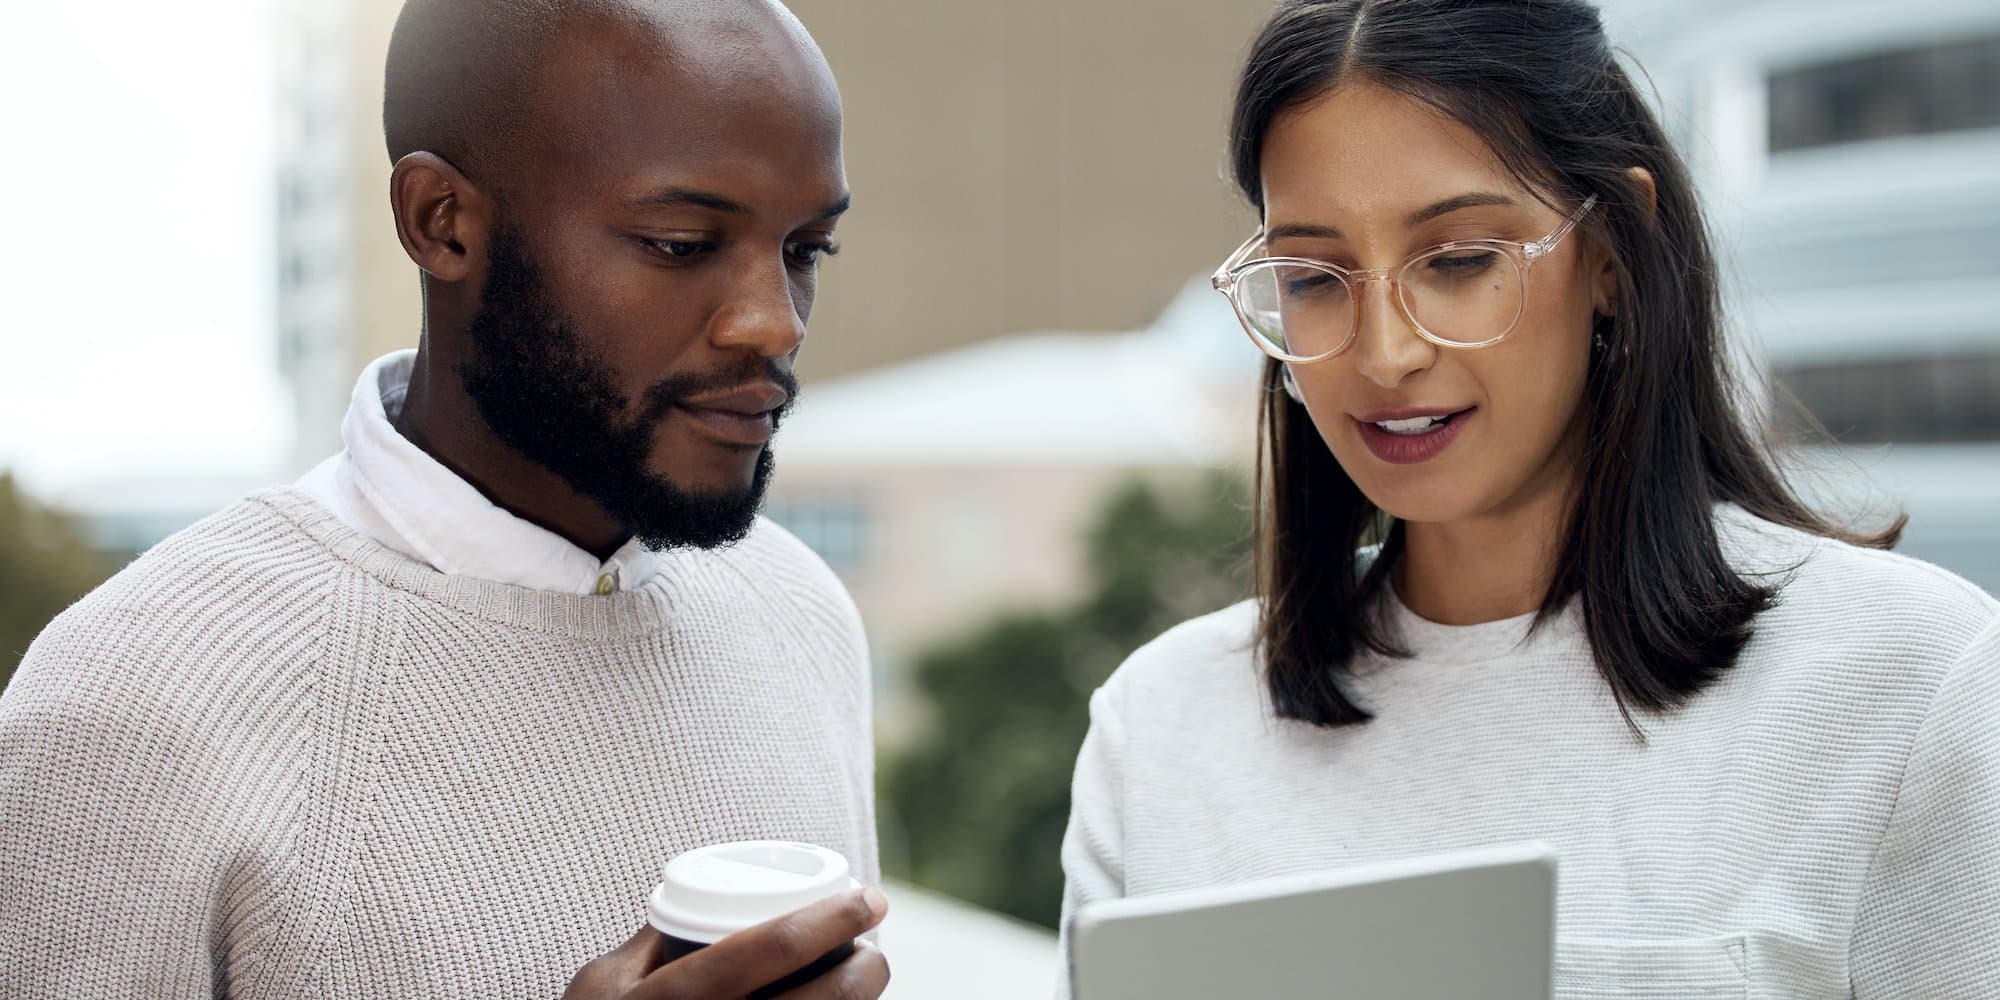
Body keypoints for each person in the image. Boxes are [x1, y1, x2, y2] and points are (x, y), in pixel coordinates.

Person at [1056, 0, 2000, 995]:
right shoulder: (1162, 725)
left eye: (1458, 261)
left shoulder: (1904, 684)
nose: (1385, 352)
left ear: (1609, 255)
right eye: (1314, 276)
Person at [0, 1, 892, 997]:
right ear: (441, 222)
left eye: (806, 250)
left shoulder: (799, 616)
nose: (774, 322)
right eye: (681, 243)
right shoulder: (134, 701)